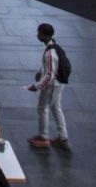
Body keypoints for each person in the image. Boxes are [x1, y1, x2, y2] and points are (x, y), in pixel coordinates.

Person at [26, 23, 70, 151]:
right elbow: (50, 67)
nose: (37, 35)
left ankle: (43, 137)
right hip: (59, 84)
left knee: (42, 108)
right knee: (56, 107)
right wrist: (41, 71)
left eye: (39, 33)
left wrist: (37, 86)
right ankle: (63, 137)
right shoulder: (54, 46)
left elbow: (50, 75)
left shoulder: (50, 53)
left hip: (52, 86)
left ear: (45, 35)